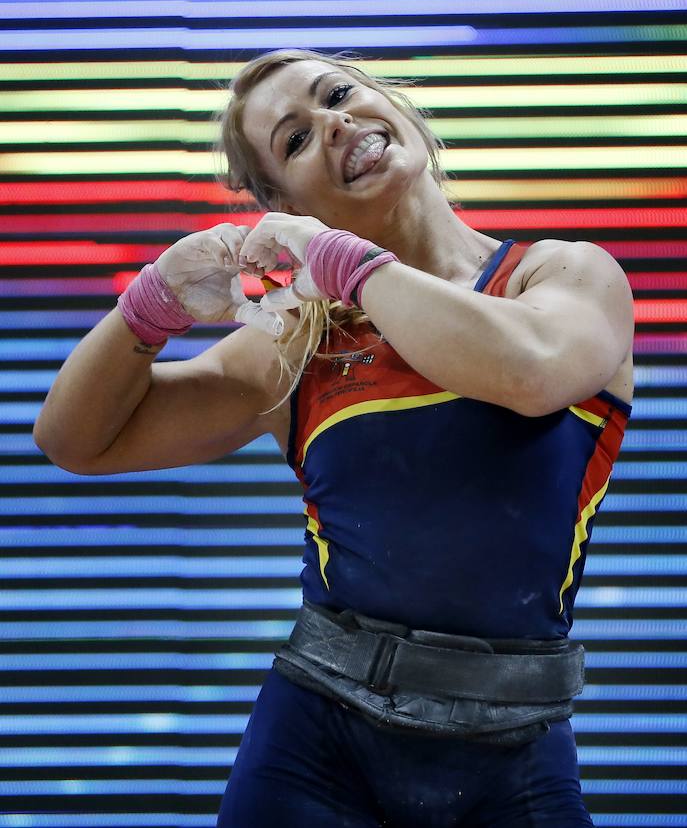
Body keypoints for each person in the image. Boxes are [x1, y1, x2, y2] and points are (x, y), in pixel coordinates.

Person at [33, 49, 635, 827]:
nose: (334, 123)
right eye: (293, 140)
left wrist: (346, 265)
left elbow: (529, 373)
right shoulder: (297, 343)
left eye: (339, 95)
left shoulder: (558, 277)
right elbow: (76, 441)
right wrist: (150, 305)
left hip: (514, 747)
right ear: (281, 205)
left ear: (400, 107)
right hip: (316, 748)